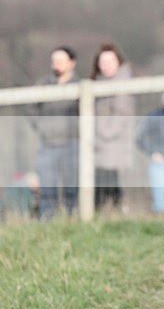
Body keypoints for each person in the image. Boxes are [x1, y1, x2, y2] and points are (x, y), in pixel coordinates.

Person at [30, 46, 79, 219]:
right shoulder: (43, 85)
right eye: (54, 60)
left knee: (72, 188)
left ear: (71, 63)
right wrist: (41, 126)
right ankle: (46, 223)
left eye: (61, 60)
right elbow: (31, 108)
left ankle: (73, 221)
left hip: (73, 144)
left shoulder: (79, 86)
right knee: (47, 188)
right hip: (48, 145)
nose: (56, 64)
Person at [91, 42, 134, 212]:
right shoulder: (100, 83)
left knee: (112, 187)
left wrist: (100, 131)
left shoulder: (122, 83)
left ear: (118, 62)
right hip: (102, 146)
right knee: (106, 187)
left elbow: (121, 113)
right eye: (103, 62)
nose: (106, 66)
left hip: (113, 143)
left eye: (110, 61)